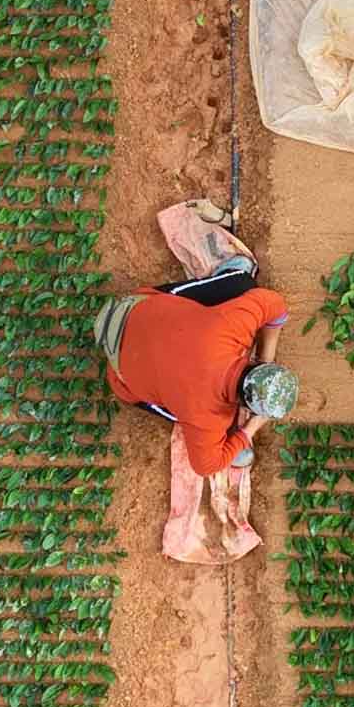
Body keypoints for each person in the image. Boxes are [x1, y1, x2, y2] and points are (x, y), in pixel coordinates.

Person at [99, 201, 293, 564]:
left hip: (134, 310)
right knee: (212, 433)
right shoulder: (209, 417)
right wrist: (251, 428)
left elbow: (274, 304)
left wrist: (267, 361)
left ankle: (221, 278)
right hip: (120, 373)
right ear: (244, 403)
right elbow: (208, 465)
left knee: (242, 282)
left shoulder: (233, 328)